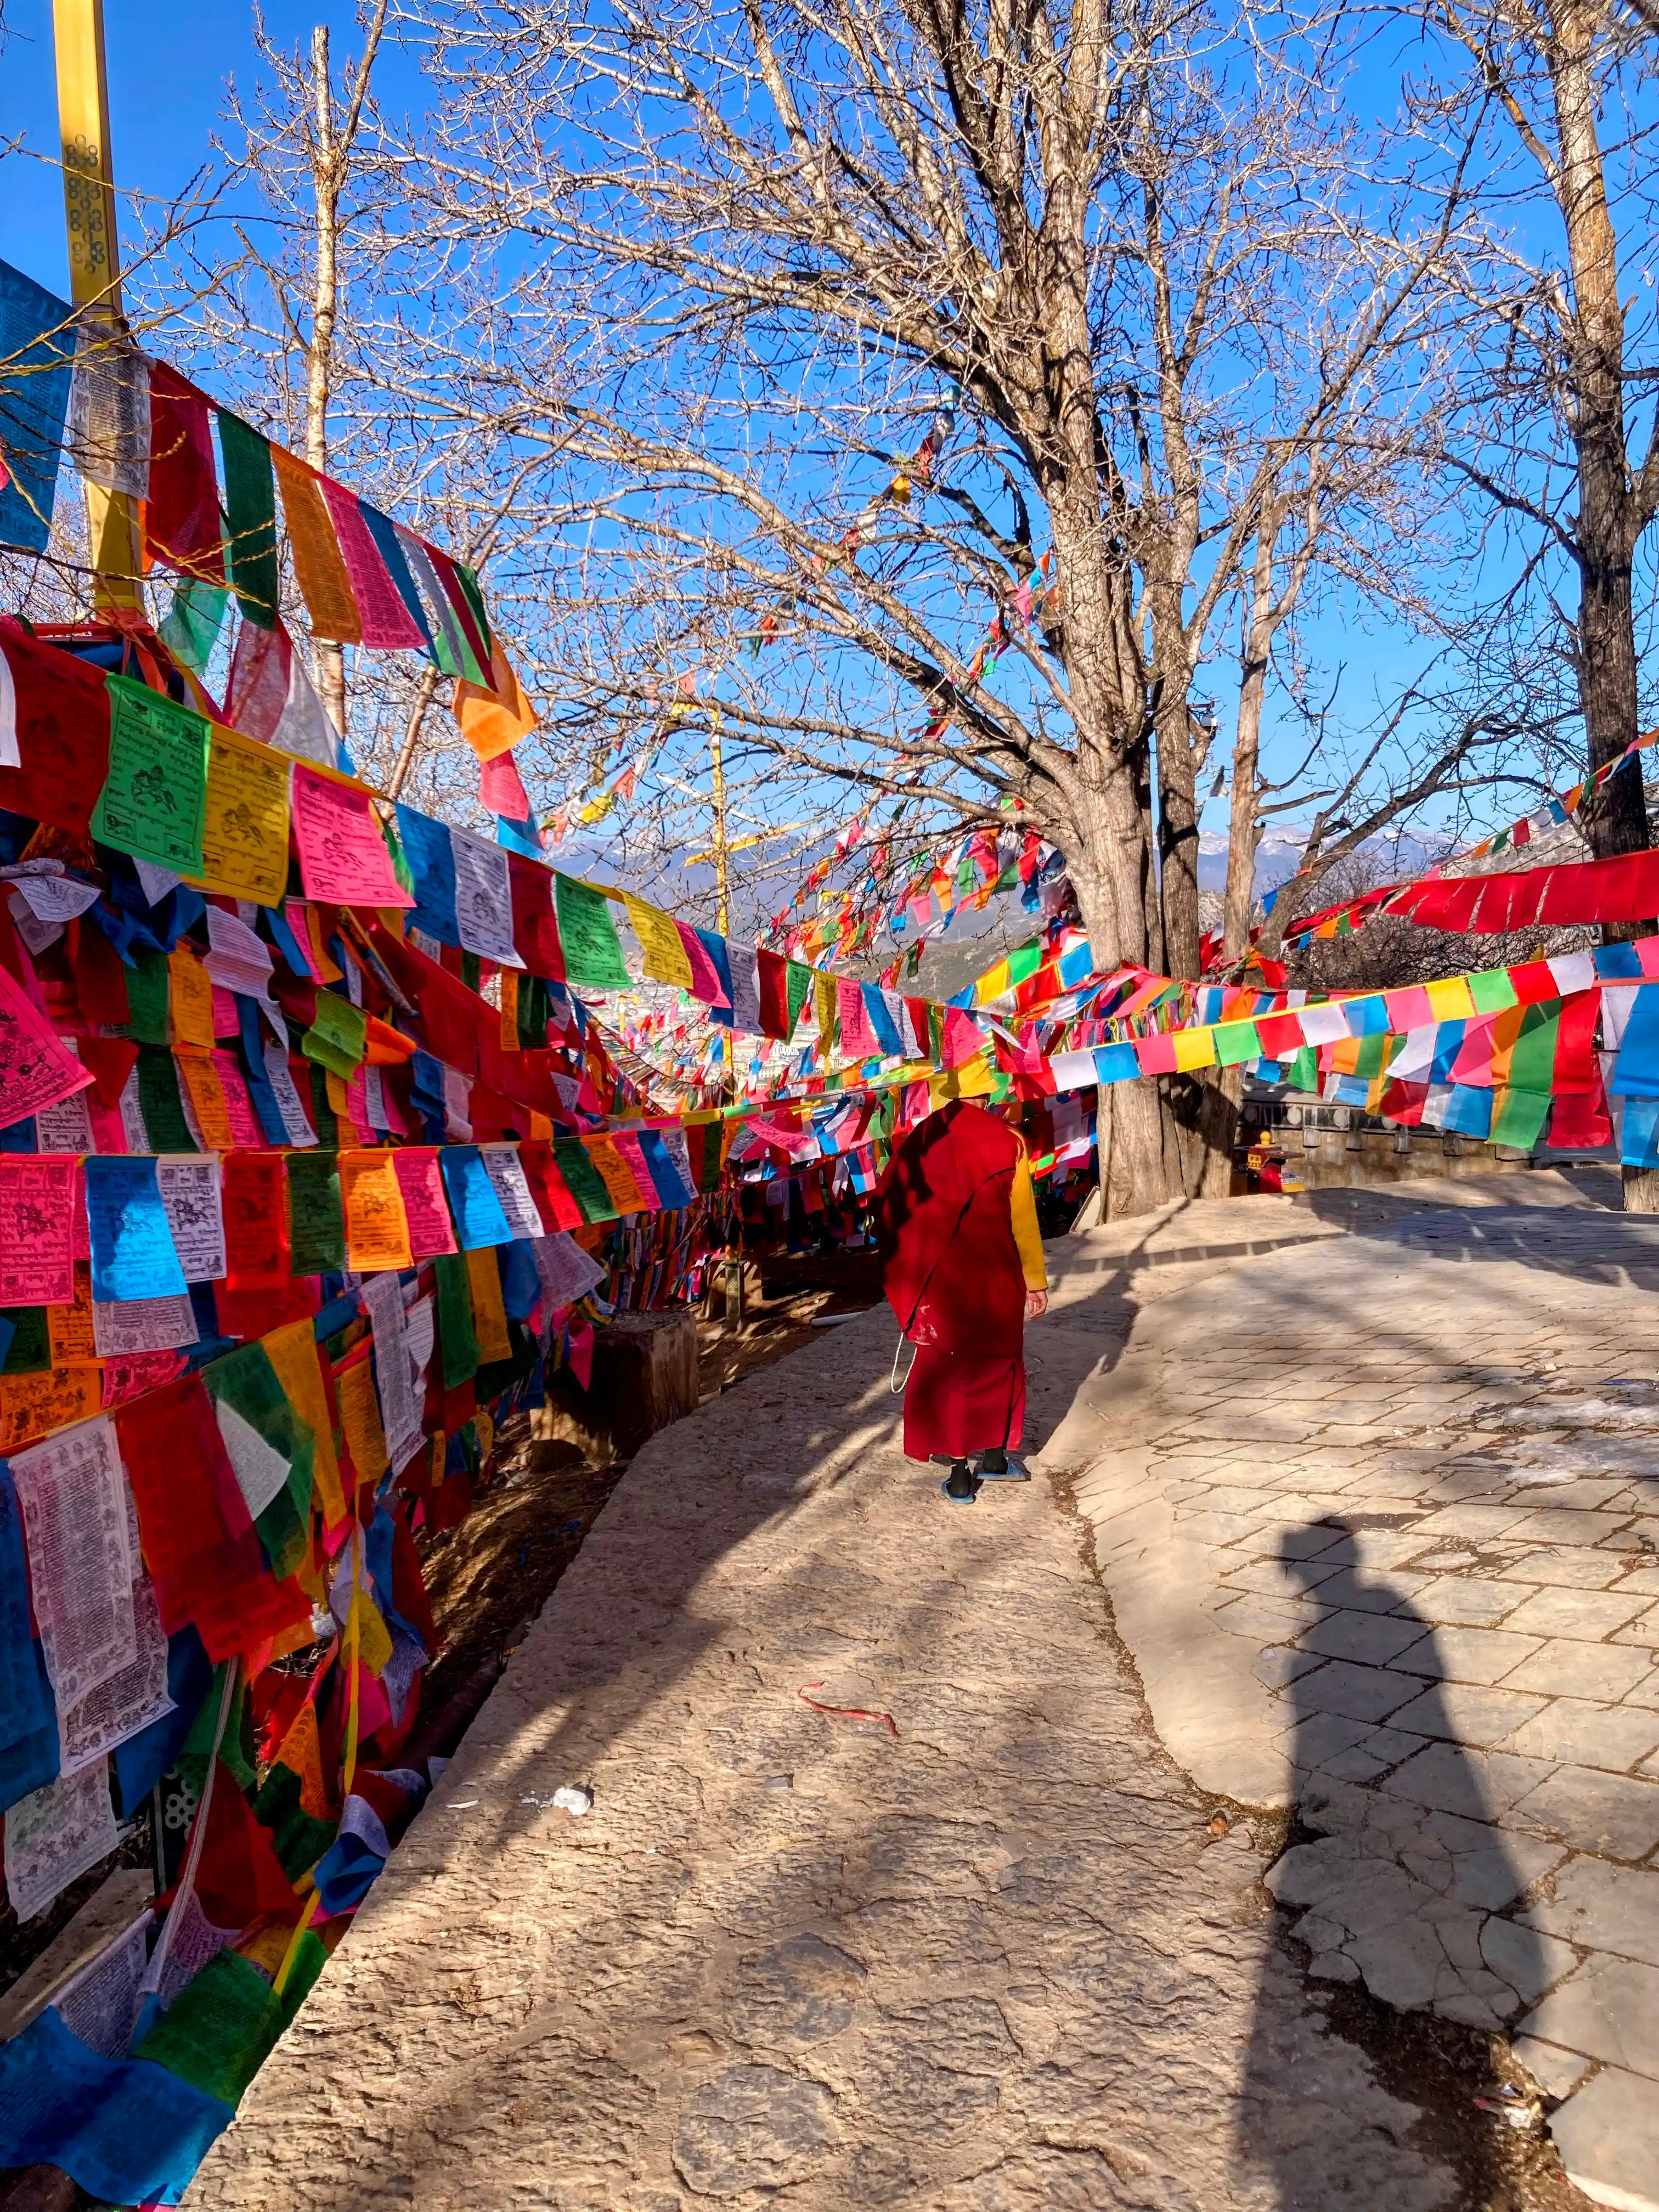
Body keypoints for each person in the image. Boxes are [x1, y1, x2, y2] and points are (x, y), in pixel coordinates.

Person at [874, 1098, 1049, 1504]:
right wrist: (1035, 1279)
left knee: (951, 1370)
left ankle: (959, 1477)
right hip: (996, 1275)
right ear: (987, 1094)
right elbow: (1021, 1218)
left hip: (939, 1281)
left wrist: (909, 1269)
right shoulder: (1009, 1141)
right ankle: (994, 1457)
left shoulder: (922, 1140)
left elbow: (888, 1205)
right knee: (998, 1362)